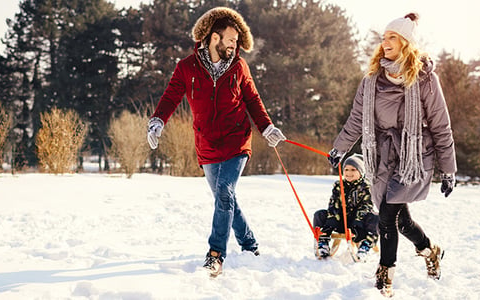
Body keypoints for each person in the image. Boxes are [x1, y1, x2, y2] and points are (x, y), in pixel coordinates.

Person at [146, 7, 286, 277]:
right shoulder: (186, 68)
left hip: (236, 142)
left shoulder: (239, 67)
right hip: (207, 144)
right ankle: (249, 244)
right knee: (227, 197)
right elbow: (170, 97)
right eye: (231, 40)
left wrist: (267, 127)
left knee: (224, 193)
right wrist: (157, 121)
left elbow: (253, 100)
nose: (235, 46)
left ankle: (215, 255)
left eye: (236, 42)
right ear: (213, 38)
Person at [327, 13, 457, 297]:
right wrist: (340, 147)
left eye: (392, 37)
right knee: (402, 220)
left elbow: (440, 125)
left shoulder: (425, 79)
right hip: (382, 155)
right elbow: (356, 119)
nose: (384, 43)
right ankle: (429, 250)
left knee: (386, 215)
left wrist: (448, 169)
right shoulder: (371, 81)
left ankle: (385, 274)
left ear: (406, 42)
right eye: (384, 38)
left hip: (414, 157)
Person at [313, 154, 379, 261]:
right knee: (320, 214)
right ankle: (323, 241)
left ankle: (365, 246)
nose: (349, 173)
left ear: (361, 171)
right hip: (340, 221)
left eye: (353, 170)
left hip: (359, 224)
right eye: (346, 169)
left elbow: (365, 207)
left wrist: (355, 227)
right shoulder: (339, 186)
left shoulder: (367, 187)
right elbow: (333, 205)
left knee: (375, 217)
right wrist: (330, 224)